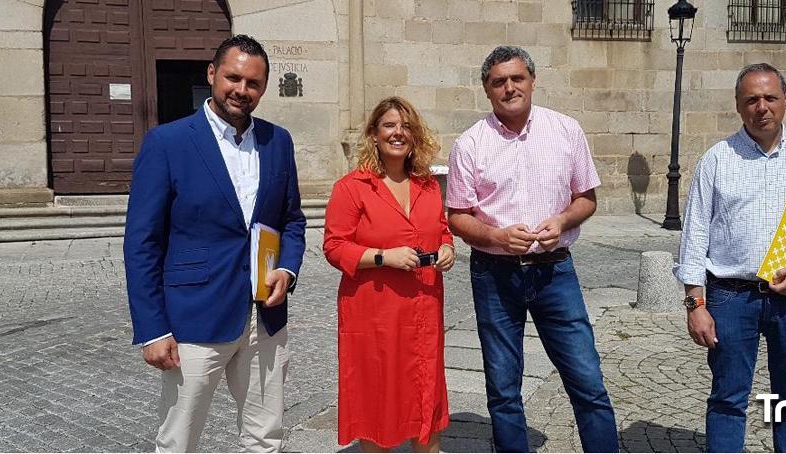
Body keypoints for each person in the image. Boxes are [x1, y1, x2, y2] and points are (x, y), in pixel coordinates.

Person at [124, 34, 307, 452]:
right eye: (233, 78)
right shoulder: (167, 143)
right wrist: (152, 329)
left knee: (266, 437)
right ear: (211, 74)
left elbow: (292, 220)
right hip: (194, 318)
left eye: (253, 83)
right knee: (178, 440)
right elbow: (142, 243)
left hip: (265, 315)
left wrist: (288, 268)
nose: (242, 91)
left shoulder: (278, 142)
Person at [445, 45, 619, 453]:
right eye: (498, 82)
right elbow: (457, 216)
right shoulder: (470, 143)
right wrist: (496, 236)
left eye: (516, 78)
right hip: (495, 273)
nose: (509, 88)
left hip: (554, 271)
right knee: (504, 386)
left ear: (533, 81)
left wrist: (561, 221)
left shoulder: (565, 130)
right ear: (487, 91)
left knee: (587, 377)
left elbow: (586, 198)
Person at [675, 63, 786, 453]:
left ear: (785, 101)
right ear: (738, 106)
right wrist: (695, 305)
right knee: (727, 399)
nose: (762, 107)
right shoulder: (717, 160)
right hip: (730, 298)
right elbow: (694, 238)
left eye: (770, 98)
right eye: (751, 99)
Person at [323, 97, 455, 452]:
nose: (398, 133)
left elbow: (441, 229)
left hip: (424, 307)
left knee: (426, 386)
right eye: (389, 126)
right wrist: (383, 257)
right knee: (378, 392)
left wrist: (447, 249)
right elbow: (334, 247)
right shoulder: (352, 188)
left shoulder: (427, 185)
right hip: (375, 312)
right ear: (374, 134)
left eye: (406, 126)